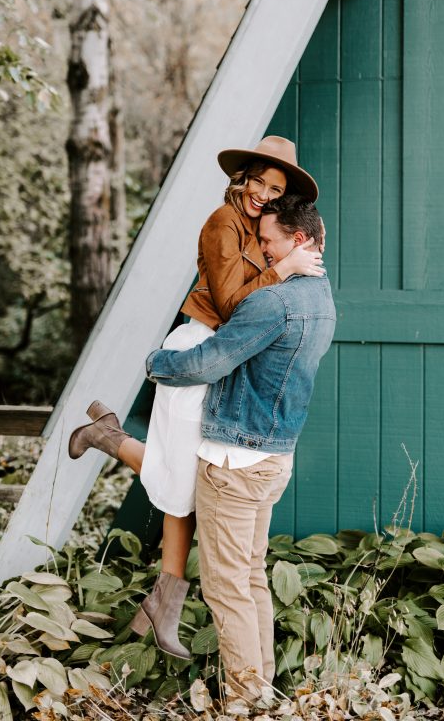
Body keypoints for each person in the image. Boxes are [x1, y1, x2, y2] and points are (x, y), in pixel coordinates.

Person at [67, 136, 323, 658]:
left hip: (228, 352)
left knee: (187, 477)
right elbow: (232, 303)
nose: (263, 194)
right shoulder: (221, 223)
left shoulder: (262, 228)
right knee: (185, 477)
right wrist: (285, 271)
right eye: (259, 182)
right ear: (243, 178)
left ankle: (165, 602)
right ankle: (111, 440)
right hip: (204, 344)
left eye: (275, 189)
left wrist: (291, 260)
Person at [146, 195, 336, 704]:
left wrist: (156, 361)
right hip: (274, 457)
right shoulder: (321, 298)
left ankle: (246, 699)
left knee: (227, 589)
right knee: (250, 579)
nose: (263, 250)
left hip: (233, 462)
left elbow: (208, 363)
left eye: (270, 241)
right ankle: (261, 690)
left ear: (299, 240)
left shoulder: (274, 302)